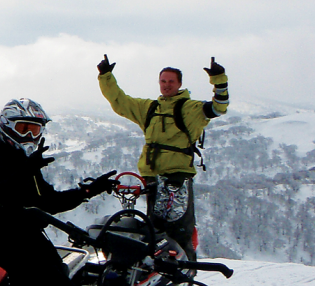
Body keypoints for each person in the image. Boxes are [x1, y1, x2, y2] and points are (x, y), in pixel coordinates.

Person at [0, 98, 116, 286]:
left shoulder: (22, 161)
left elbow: (49, 202)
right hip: (5, 247)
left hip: (24, 239)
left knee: (64, 283)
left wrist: (88, 191)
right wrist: (25, 169)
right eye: (24, 128)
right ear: (7, 127)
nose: (29, 136)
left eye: (34, 130)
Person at [96, 55, 229, 259]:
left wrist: (219, 79)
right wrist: (106, 76)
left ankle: (185, 274)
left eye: (171, 82)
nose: (166, 86)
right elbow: (120, 102)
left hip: (176, 178)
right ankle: (158, 271)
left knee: (179, 229)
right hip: (152, 178)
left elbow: (219, 107)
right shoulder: (150, 109)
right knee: (156, 231)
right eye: (163, 81)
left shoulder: (190, 109)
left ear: (180, 84)